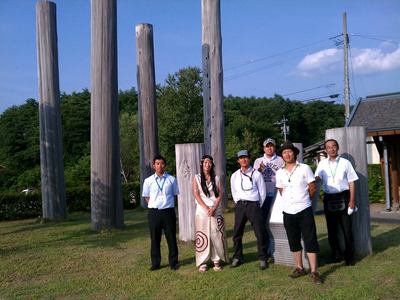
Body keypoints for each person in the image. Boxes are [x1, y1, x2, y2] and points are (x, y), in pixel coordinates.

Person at [275, 141, 322, 284]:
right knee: (293, 240)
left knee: (310, 239)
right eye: (284, 152)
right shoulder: (279, 172)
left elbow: (312, 188)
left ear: (294, 153)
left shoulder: (305, 168)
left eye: (289, 151)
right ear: (282, 156)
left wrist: (303, 200)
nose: (287, 154)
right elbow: (281, 189)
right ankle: (299, 267)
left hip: (304, 209)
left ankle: (314, 271)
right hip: (288, 211)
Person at [315, 139, 359, 266]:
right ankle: (336, 255)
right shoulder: (322, 164)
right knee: (332, 230)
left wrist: (352, 200)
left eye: (334, 146)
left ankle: (350, 257)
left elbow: (351, 181)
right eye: (328, 147)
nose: (331, 149)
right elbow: (317, 179)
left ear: (337, 148)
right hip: (329, 197)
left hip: (344, 196)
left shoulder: (346, 163)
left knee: (347, 229)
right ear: (326, 150)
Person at [230, 150, 269, 270]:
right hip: (241, 205)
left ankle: (262, 258)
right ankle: (237, 257)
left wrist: (256, 205)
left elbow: (262, 193)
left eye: (245, 157)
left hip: (254, 205)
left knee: (259, 232)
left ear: (249, 159)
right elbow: (234, 192)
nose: (243, 160)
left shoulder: (257, 174)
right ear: (238, 161)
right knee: (237, 233)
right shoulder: (235, 175)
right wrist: (239, 203)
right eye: (241, 158)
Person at [142, 155, 179, 271]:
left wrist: (167, 204)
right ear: (154, 166)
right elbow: (146, 197)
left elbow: (175, 195)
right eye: (157, 163)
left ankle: (173, 263)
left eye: (162, 163)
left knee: (171, 238)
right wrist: (153, 205)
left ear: (165, 165)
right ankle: (155, 263)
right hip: (154, 213)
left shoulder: (171, 179)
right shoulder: (148, 181)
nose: (160, 166)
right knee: (155, 239)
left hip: (168, 212)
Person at [192, 155, 228, 272]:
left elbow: (219, 194)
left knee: (215, 234)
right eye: (205, 163)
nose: (207, 165)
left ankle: (216, 260)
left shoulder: (216, 178)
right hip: (202, 210)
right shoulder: (196, 178)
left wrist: (213, 207)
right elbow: (196, 194)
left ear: (212, 165)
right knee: (202, 235)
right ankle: (202, 261)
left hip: (215, 209)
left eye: (209, 163)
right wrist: (206, 207)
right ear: (202, 164)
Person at [253, 138, 284, 257]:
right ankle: (265, 248)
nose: (269, 148)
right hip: (263, 196)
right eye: (267, 146)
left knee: (275, 221)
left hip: (276, 195)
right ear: (263, 148)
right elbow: (254, 178)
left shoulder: (280, 160)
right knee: (262, 222)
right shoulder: (258, 161)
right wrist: (259, 170)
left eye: (271, 146)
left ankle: (277, 246)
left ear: (275, 147)